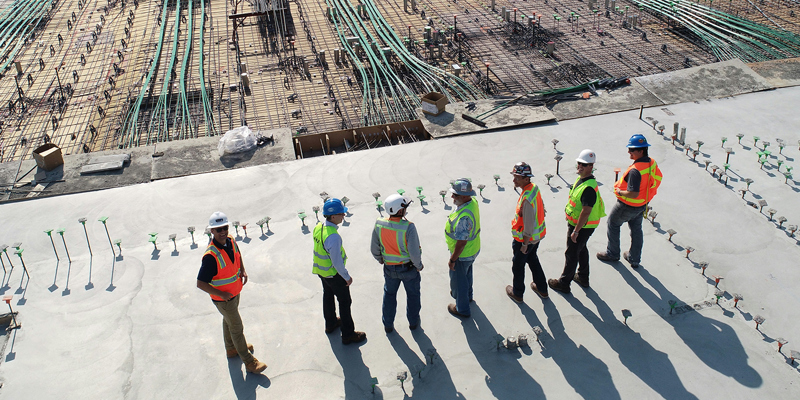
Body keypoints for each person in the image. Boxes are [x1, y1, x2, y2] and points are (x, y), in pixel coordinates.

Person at [196, 211, 267, 374]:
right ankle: (249, 362)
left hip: (234, 292)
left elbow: (237, 254)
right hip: (224, 299)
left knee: (228, 320)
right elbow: (200, 283)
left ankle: (231, 348)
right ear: (212, 231)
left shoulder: (230, 240)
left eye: (225, 228)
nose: (223, 232)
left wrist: (243, 269)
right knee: (237, 327)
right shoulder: (211, 256)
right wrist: (221, 294)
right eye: (218, 229)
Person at [597, 134, 663, 268]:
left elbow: (633, 193)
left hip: (627, 205)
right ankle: (634, 258)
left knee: (613, 224)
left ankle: (612, 253)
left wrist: (619, 192)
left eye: (632, 149)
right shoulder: (651, 162)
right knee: (636, 229)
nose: (629, 152)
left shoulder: (635, 171)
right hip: (642, 204)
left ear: (641, 151)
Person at [549, 150, 606, 294]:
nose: (580, 166)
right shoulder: (582, 180)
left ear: (591, 166)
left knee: (571, 253)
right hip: (581, 224)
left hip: (582, 226)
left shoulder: (588, 188)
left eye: (584, 165)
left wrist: (576, 231)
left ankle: (564, 283)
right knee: (581, 248)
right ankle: (583, 277)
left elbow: (586, 211)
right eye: (579, 163)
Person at [313, 198, 367, 345]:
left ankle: (330, 323)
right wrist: (346, 277)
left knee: (328, 295)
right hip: (334, 274)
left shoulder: (319, 227)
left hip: (321, 271)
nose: (343, 215)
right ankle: (348, 334)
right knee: (345, 302)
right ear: (333, 216)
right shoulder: (333, 237)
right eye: (341, 213)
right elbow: (337, 261)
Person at [371, 194, 424, 333]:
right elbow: (414, 252)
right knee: (413, 295)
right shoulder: (409, 227)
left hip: (389, 268)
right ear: (400, 210)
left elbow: (374, 248)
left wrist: (380, 259)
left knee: (389, 295)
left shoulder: (379, 224)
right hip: (408, 269)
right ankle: (413, 322)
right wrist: (419, 266)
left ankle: (388, 324)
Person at [505, 162, 548, 303]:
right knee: (532, 259)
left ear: (526, 178)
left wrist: (524, 244)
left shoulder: (527, 198)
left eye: (517, 178)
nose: (514, 180)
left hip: (525, 240)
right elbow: (540, 204)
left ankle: (517, 293)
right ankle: (542, 288)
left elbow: (528, 224)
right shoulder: (533, 188)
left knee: (518, 266)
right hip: (536, 237)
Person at [445, 178, 481, 318]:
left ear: (465, 196)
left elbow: (461, 242)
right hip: (472, 250)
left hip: (463, 254)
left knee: (459, 281)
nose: (452, 197)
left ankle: (462, 309)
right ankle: (468, 296)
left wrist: (453, 259)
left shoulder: (464, 218)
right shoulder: (472, 202)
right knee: (467, 274)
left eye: (456, 195)